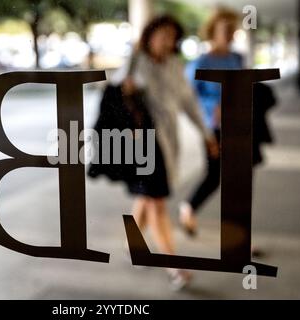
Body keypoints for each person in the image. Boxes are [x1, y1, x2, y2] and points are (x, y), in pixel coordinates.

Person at [93, 15, 218, 288]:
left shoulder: (175, 66)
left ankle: (133, 245)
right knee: (156, 202)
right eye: (161, 34)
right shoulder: (135, 63)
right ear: (149, 36)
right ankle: (173, 266)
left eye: (172, 36)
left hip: (167, 142)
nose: (166, 40)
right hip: (143, 143)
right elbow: (111, 97)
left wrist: (206, 133)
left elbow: (189, 103)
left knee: (148, 196)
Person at [179, 8, 244, 236]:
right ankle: (189, 208)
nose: (228, 34)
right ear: (212, 32)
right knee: (215, 175)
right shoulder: (201, 62)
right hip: (213, 127)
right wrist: (210, 110)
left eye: (231, 30)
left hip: (237, 125)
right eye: (223, 30)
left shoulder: (236, 58)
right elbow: (187, 98)